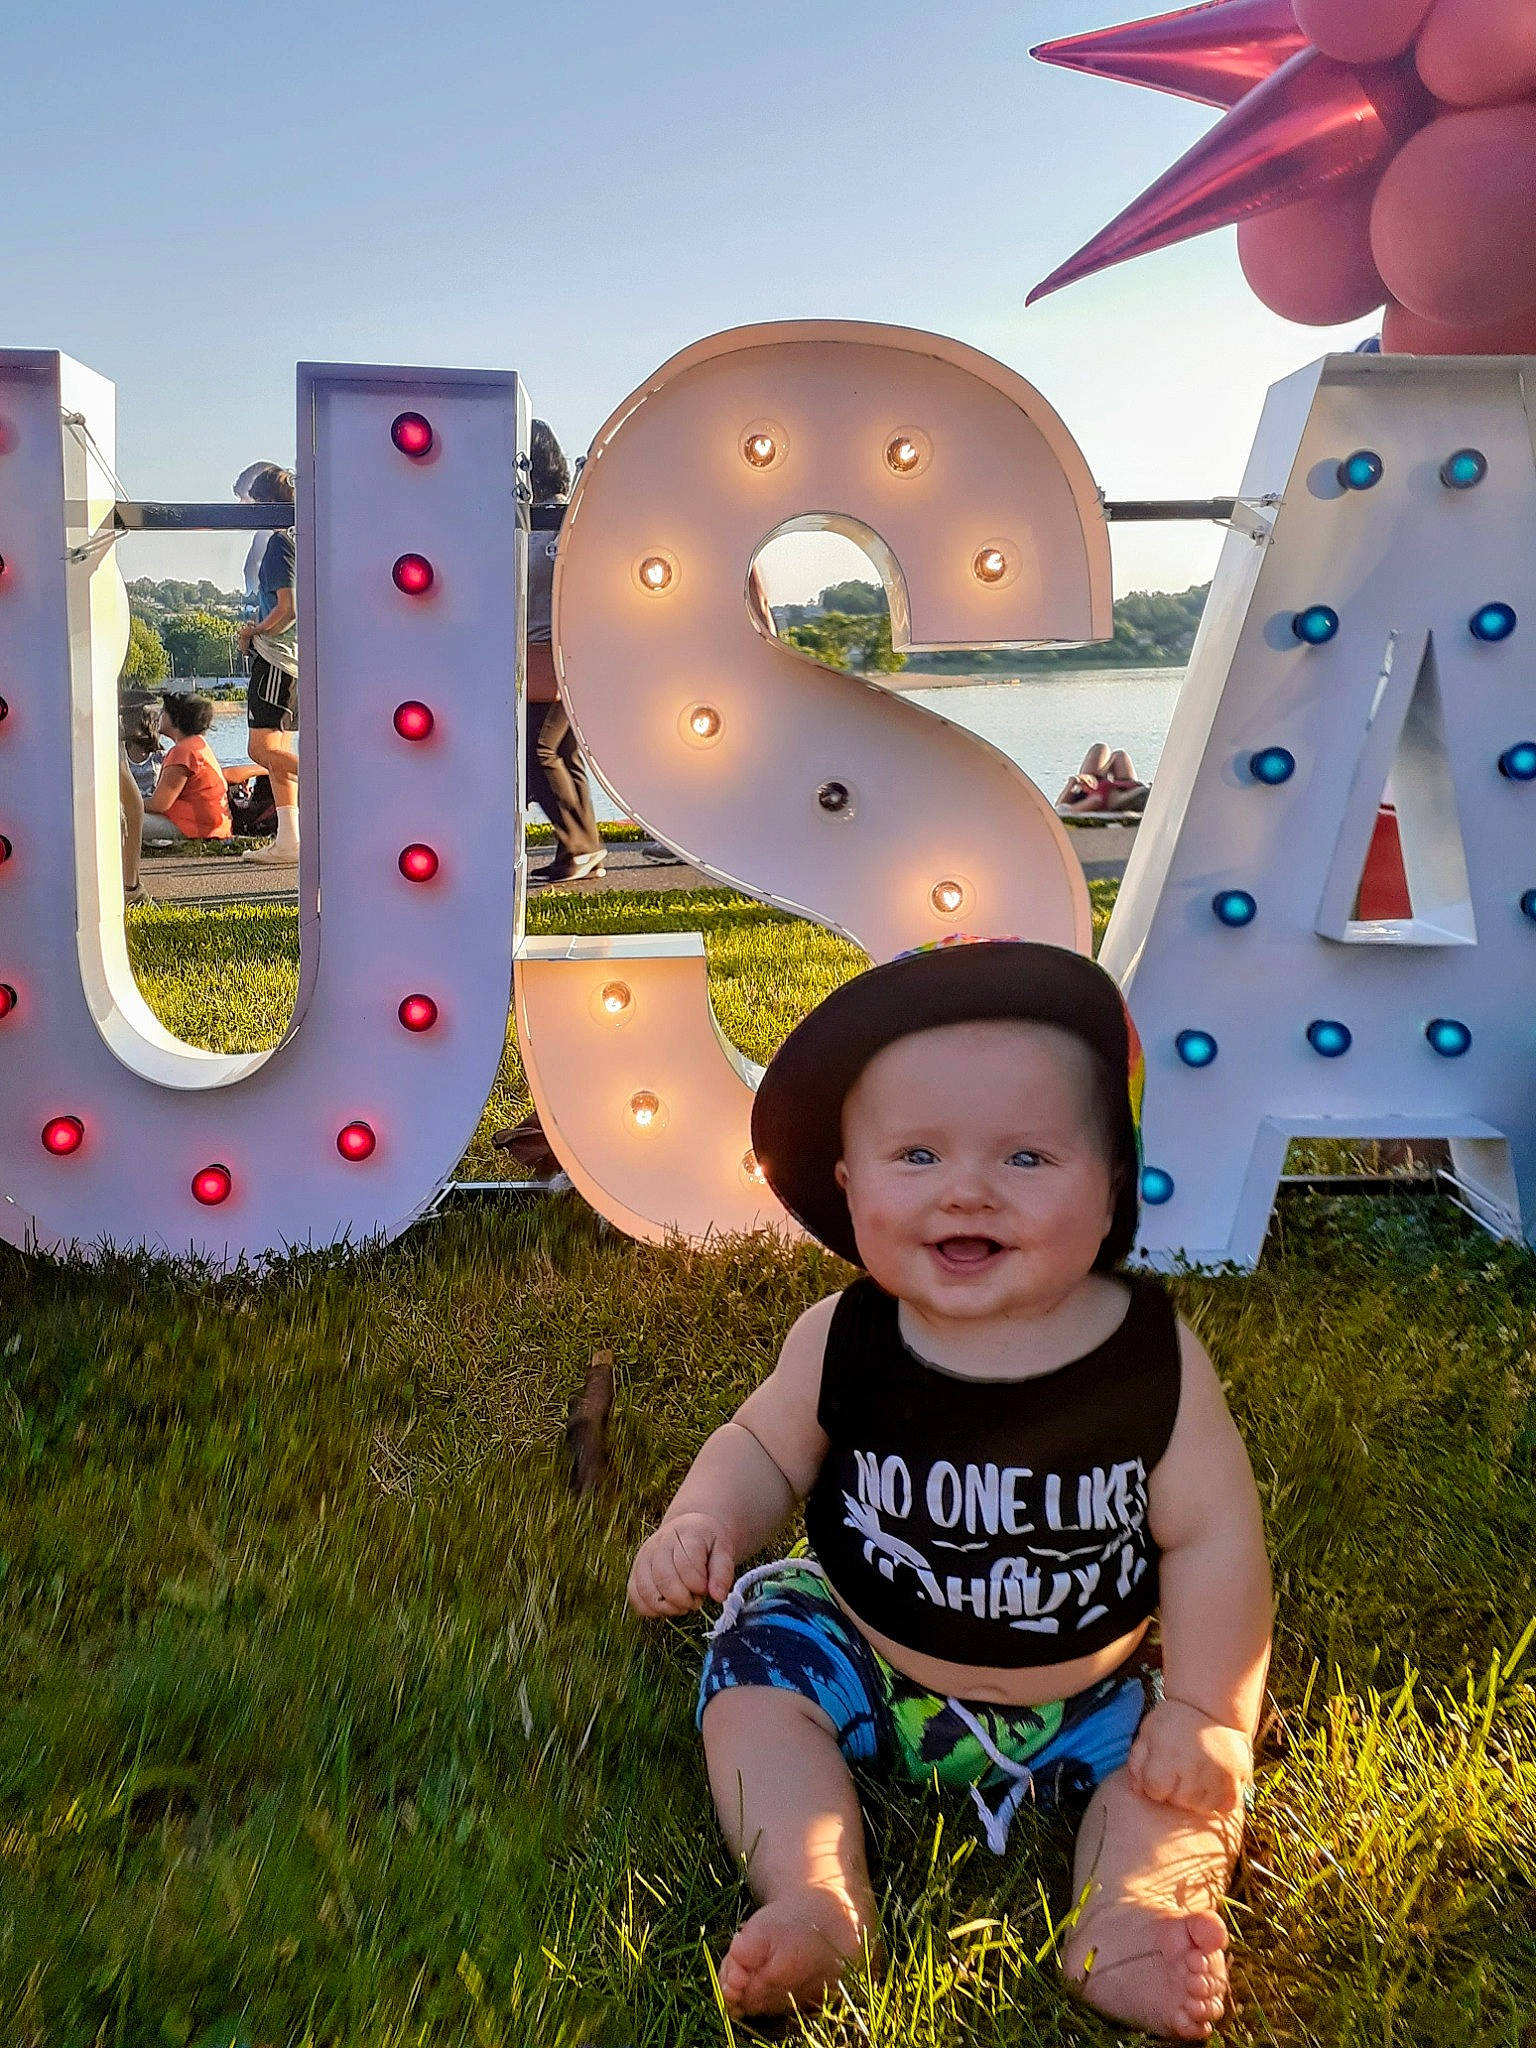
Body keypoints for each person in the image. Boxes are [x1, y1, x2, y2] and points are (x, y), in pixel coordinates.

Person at [627, 938, 1272, 2037]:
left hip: (1092, 1687)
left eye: (1026, 1158)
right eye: (916, 1155)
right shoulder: (844, 1337)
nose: (967, 1187)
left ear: (1113, 1180)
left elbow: (1215, 1539)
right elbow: (766, 1446)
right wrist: (701, 1516)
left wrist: (1213, 1710)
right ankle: (819, 1887)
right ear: (847, 1181)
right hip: (868, 1652)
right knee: (753, 1678)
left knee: (1180, 1790)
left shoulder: (1151, 1361)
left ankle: (1127, 1912)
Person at [525, 420, 605, 884]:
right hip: (556, 654)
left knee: (539, 751)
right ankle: (583, 848)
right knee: (564, 752)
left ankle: (578, 846)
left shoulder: (548, 524)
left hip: (551, 654)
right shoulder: (560, 519)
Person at [236, 464, 300, 867]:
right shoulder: (301, 536)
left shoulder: (279, 542)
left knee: (259, 749)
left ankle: (334, 781)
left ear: (264, 504)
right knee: (278, 754)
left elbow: (287, 607)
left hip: (276, 656)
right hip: (295, 659)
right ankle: (290, 839)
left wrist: (252, 631)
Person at [140, 694, 249, 844]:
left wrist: (125, 803)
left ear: (176, 719)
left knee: (116, 818)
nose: (159, 715)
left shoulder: (182, 752)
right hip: (214, 827)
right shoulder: (197, 744)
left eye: (164, 712)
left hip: (193, 828)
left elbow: (159, 804)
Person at [1057, 743, 1149, 815]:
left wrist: (1074, 781)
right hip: (1120, 789)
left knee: (1105, 749)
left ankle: (1138, 795)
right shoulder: (1071, 808)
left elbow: (1059, 810)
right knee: (1117, 753)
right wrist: (1074, 781)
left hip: (1111, 790)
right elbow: (1096, 801)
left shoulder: (1066, 809)